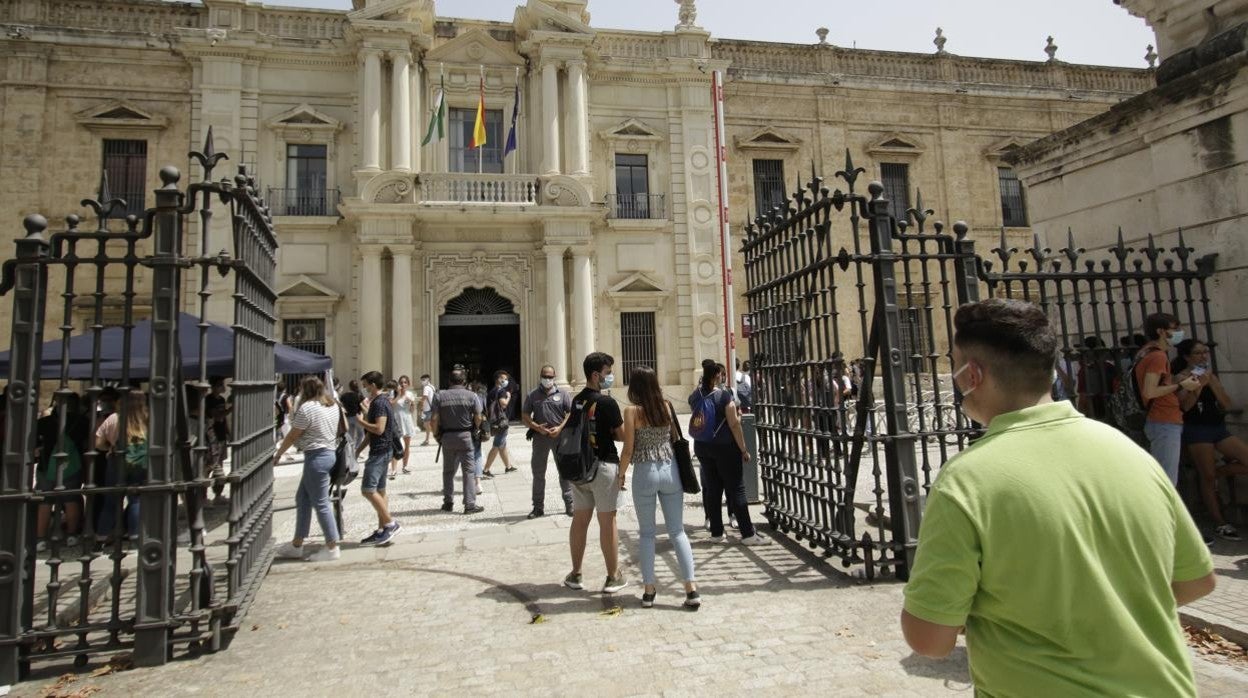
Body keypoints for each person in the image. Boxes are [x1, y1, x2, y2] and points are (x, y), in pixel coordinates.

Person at [901, 299, 1215, 696]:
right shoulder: (1130, 453)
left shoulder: (966, 480)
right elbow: (1197, 580)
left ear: (973, 376)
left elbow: (929, 639)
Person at [619, 365, 699, 609]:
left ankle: (649, 590)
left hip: (644, 472)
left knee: (646, 534)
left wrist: (621, 475)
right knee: (677, 532)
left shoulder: (632, 411)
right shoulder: (666, 406)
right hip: (670, 470)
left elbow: (629, 449)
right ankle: (691, 588)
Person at [564, 352, 628, 594]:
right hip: (602, 466)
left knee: (580, 520)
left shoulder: (577, 400)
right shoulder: (607, 403)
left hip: (579, 468)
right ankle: (613, 576)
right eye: (608, 373)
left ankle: (576, 573)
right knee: (607, 521)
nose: (610, 377)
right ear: (596, 375)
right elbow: (621, 435)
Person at [1173, 339, 1248, 541]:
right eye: (1198, 353)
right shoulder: (1181, 377)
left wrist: (1212, 384)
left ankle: (1219, 473)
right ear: (1187, 357)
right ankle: (1220, 522)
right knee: (1206, 478)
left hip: (1218, 427)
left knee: (1234, 463)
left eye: (1205, 352)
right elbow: (1185, 407)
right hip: (1197, 430)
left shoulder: (1210, 375)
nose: (1203, 356)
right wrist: (1197, 387)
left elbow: (1226, 403)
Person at [689, 359, 769, 546]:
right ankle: (748, 533)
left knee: (713, 489)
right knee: (737, 489)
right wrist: (744, 449)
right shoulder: (724, 396)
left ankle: (717, 532)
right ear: (717, 375)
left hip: (702, 446)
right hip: (725, 447)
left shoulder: (695, 395)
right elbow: (734, 423)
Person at [273, 376, 342, 562]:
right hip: (328, 453)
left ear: (305, 390)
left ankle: (332, 546)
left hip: (316, 456)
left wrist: (279, 453)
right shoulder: (332, 405)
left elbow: (293, 435)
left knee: (321, 502)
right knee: (302, 498)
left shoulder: (308, 408)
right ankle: (297, 543)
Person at [1136, 313, 1202, 486]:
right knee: (1167, 481)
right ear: (1161, 331)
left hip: (1160, 420)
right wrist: (1182, 386)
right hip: (1163, 420)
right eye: (1175, 328)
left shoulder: (1146, 352)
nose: (1180, 332)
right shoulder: (1158, 356)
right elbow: (1150, 391)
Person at [34, 394, 88, 551]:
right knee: (71, 499)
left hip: (46, 465)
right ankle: (71, 535)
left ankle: (40, 538)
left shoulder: (44, 422)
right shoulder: (82, 423)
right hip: (72, 465)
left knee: (44, 501)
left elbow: (35, 446)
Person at [353, 371, 401, 546]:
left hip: (380, 452)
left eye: (365, 385)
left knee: (368, 489)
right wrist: (358, 450)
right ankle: (382, 530)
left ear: (373, 385)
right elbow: (372, 433)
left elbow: (379, 429)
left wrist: (361, 422)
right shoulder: (380, 402)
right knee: (380, 491)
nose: (364, 388)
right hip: (382, 450)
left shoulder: (380, 403)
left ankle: (390, 523)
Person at [95, 391, 149, 542]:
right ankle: (134, 535)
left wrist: (109, 447)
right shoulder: (147, 418)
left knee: (111, 500)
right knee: (136, 499)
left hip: (116, 460)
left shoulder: (114, 418)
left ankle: (102, 535)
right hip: (139, 461)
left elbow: (98, 443)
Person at [430, 368, 485, 514]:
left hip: (447, 436)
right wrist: (476, 428)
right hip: (465, 436)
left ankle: (448, 502)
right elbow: (478, 416)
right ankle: (469, 505)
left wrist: (436, 435)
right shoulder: (472, 395)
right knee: (468, 471)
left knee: (448, 471)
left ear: (449, 380)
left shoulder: (439, 396)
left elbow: (434, 419)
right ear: (464, 381)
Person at [522, 365, 573, 519]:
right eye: (545, 376)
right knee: (538, 473)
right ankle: (538, 507)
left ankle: (570, 504)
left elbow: (570, 413)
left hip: (560, 437)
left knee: (564, 472)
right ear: (540, 376)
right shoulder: (532, 395)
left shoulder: (563, 394)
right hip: (540, 438)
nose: (547, 379)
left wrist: (560, 427)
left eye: (550, 376)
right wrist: (536, 427)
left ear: (555, 376)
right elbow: (525, 415)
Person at [482, 372, 514, 478]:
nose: (506, 381)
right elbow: (503, 404)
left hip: (494, 420)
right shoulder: (501, 391)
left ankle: (508, 466)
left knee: (502, 445)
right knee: (497, 445)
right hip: (501, 422)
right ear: (498, 379)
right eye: (504, 379)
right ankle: (486, 469)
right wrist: (508, 397)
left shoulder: (492, 391)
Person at [204, 376, 230, 505]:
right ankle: (203, 496)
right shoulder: (208, 400)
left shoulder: (222, 399)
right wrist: (231, 409)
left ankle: (218, 494)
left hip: (221, 435)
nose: (223, 386)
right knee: (209, 466)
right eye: (220, 384)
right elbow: (218, 416)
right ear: (213, 386)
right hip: (211, 435)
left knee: (219, 466)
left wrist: (228, 432)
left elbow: (223, 420)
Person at [394, 375, 418, 473]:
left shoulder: (410, 394)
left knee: (407, 446)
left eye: (405, 382)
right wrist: (399, 395)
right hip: (397, 420)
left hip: (407, 420)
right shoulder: (394, 393)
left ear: (408, 384)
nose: (403, 384)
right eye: (401, 382)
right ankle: (394, 469)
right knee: (395, 445)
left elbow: (412, 411)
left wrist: (412, 403)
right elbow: (391, 404)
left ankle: (405, 466)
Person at [340, 379, 365, 451]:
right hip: (357, 417)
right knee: (361, 434)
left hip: (348, 417)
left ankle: (350, 450)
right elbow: (363, 404)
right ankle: (357, 448)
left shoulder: (344, 395)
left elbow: (341, 405)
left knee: (350, 435)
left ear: (349, 386)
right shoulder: (359, 395)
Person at [418, 374, 436, 446]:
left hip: (427, 409)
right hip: (432, 408)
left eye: (423, 380)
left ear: (428, 380)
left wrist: (421, 406)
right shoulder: (432, 387)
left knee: (426, 425)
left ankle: (427, 440)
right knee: (428, 425)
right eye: (421, 380)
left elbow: (424, 397)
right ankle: (427, 439)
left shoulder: (426, 388)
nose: (422, 382)